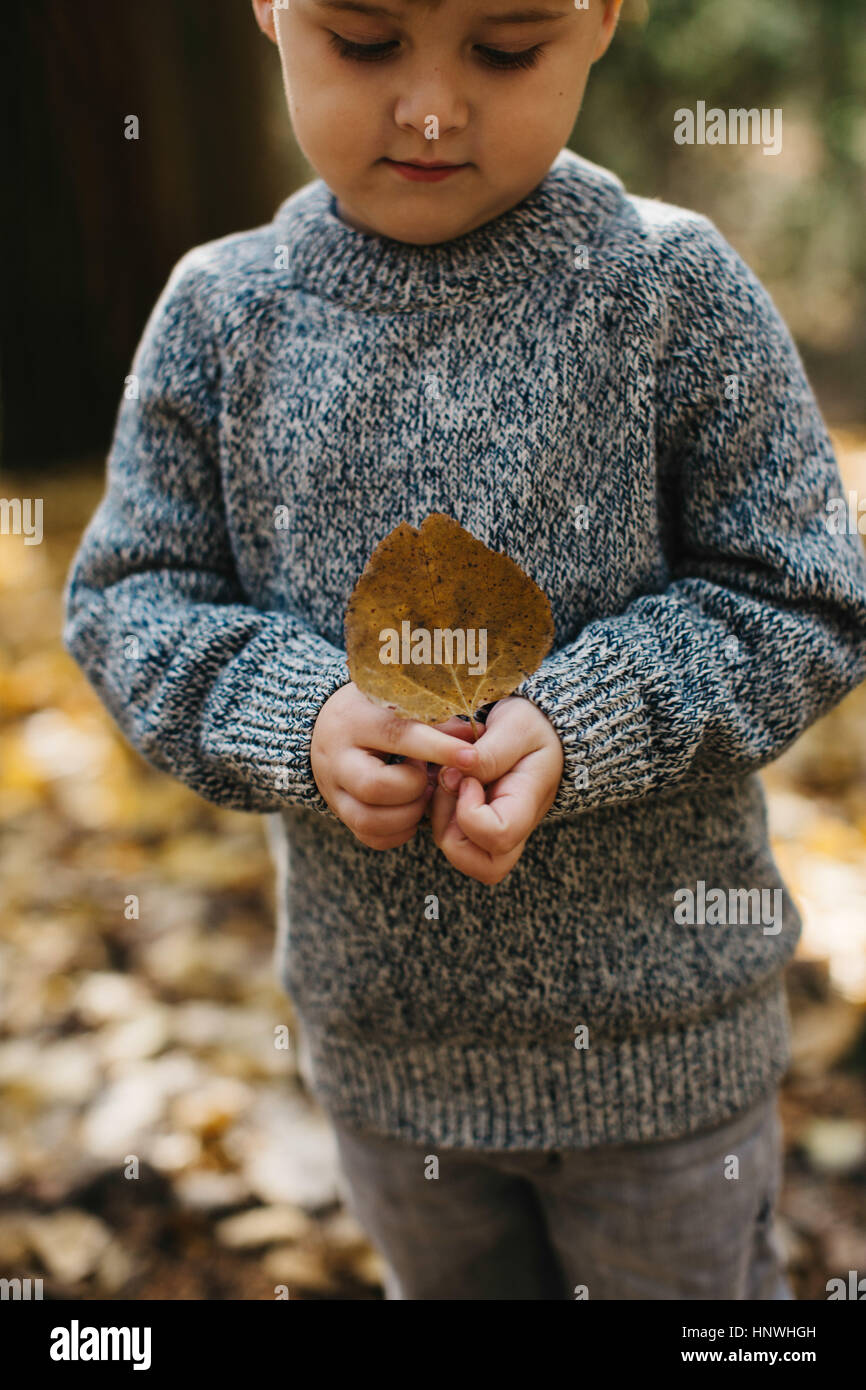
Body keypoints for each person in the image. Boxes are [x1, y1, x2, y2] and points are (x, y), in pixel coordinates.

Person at [62, 0, 866, 1299]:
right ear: (269, 10)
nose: (432, 108)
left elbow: (803, 590)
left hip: (660, 1063)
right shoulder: (221, 317)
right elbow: (130, 593)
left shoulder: (669, 291)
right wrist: (299, 712)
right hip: (388, 1060)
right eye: (365, 43)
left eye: (505, 50)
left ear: (606, 15)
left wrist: (582, 722)